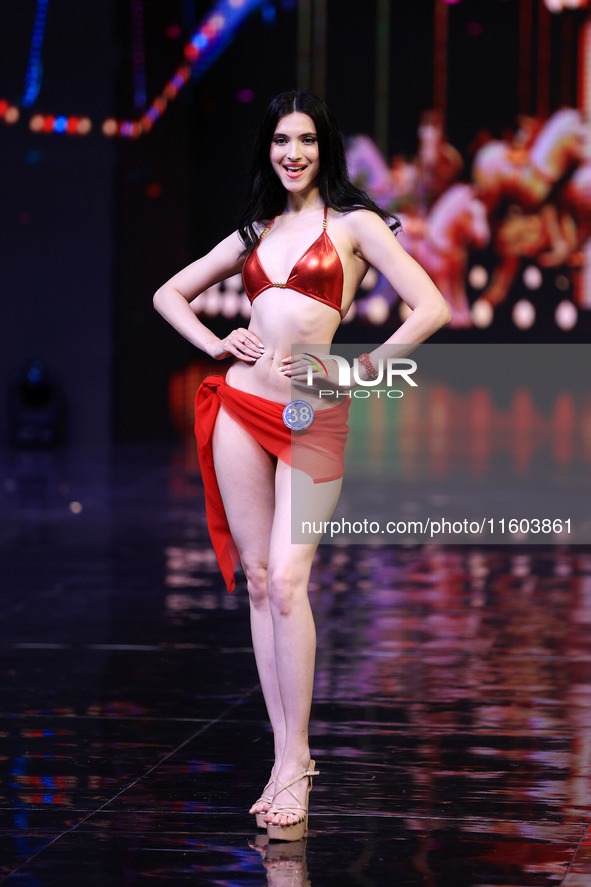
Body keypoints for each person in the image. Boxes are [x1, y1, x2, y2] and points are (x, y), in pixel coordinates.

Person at [153, 90, 451, 841]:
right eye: (281, 140)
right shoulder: (255, 229)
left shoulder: (352, 226)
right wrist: (215, 340)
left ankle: (298, 754)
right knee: (259, 581)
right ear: (268, 150)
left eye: (306, 140)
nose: (293, 152)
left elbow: (430, 307)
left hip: (313, 410)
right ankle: (287, 758)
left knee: (289, 579)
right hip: (238, 408)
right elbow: (168, 293)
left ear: (325, 149)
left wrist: (360, 370)